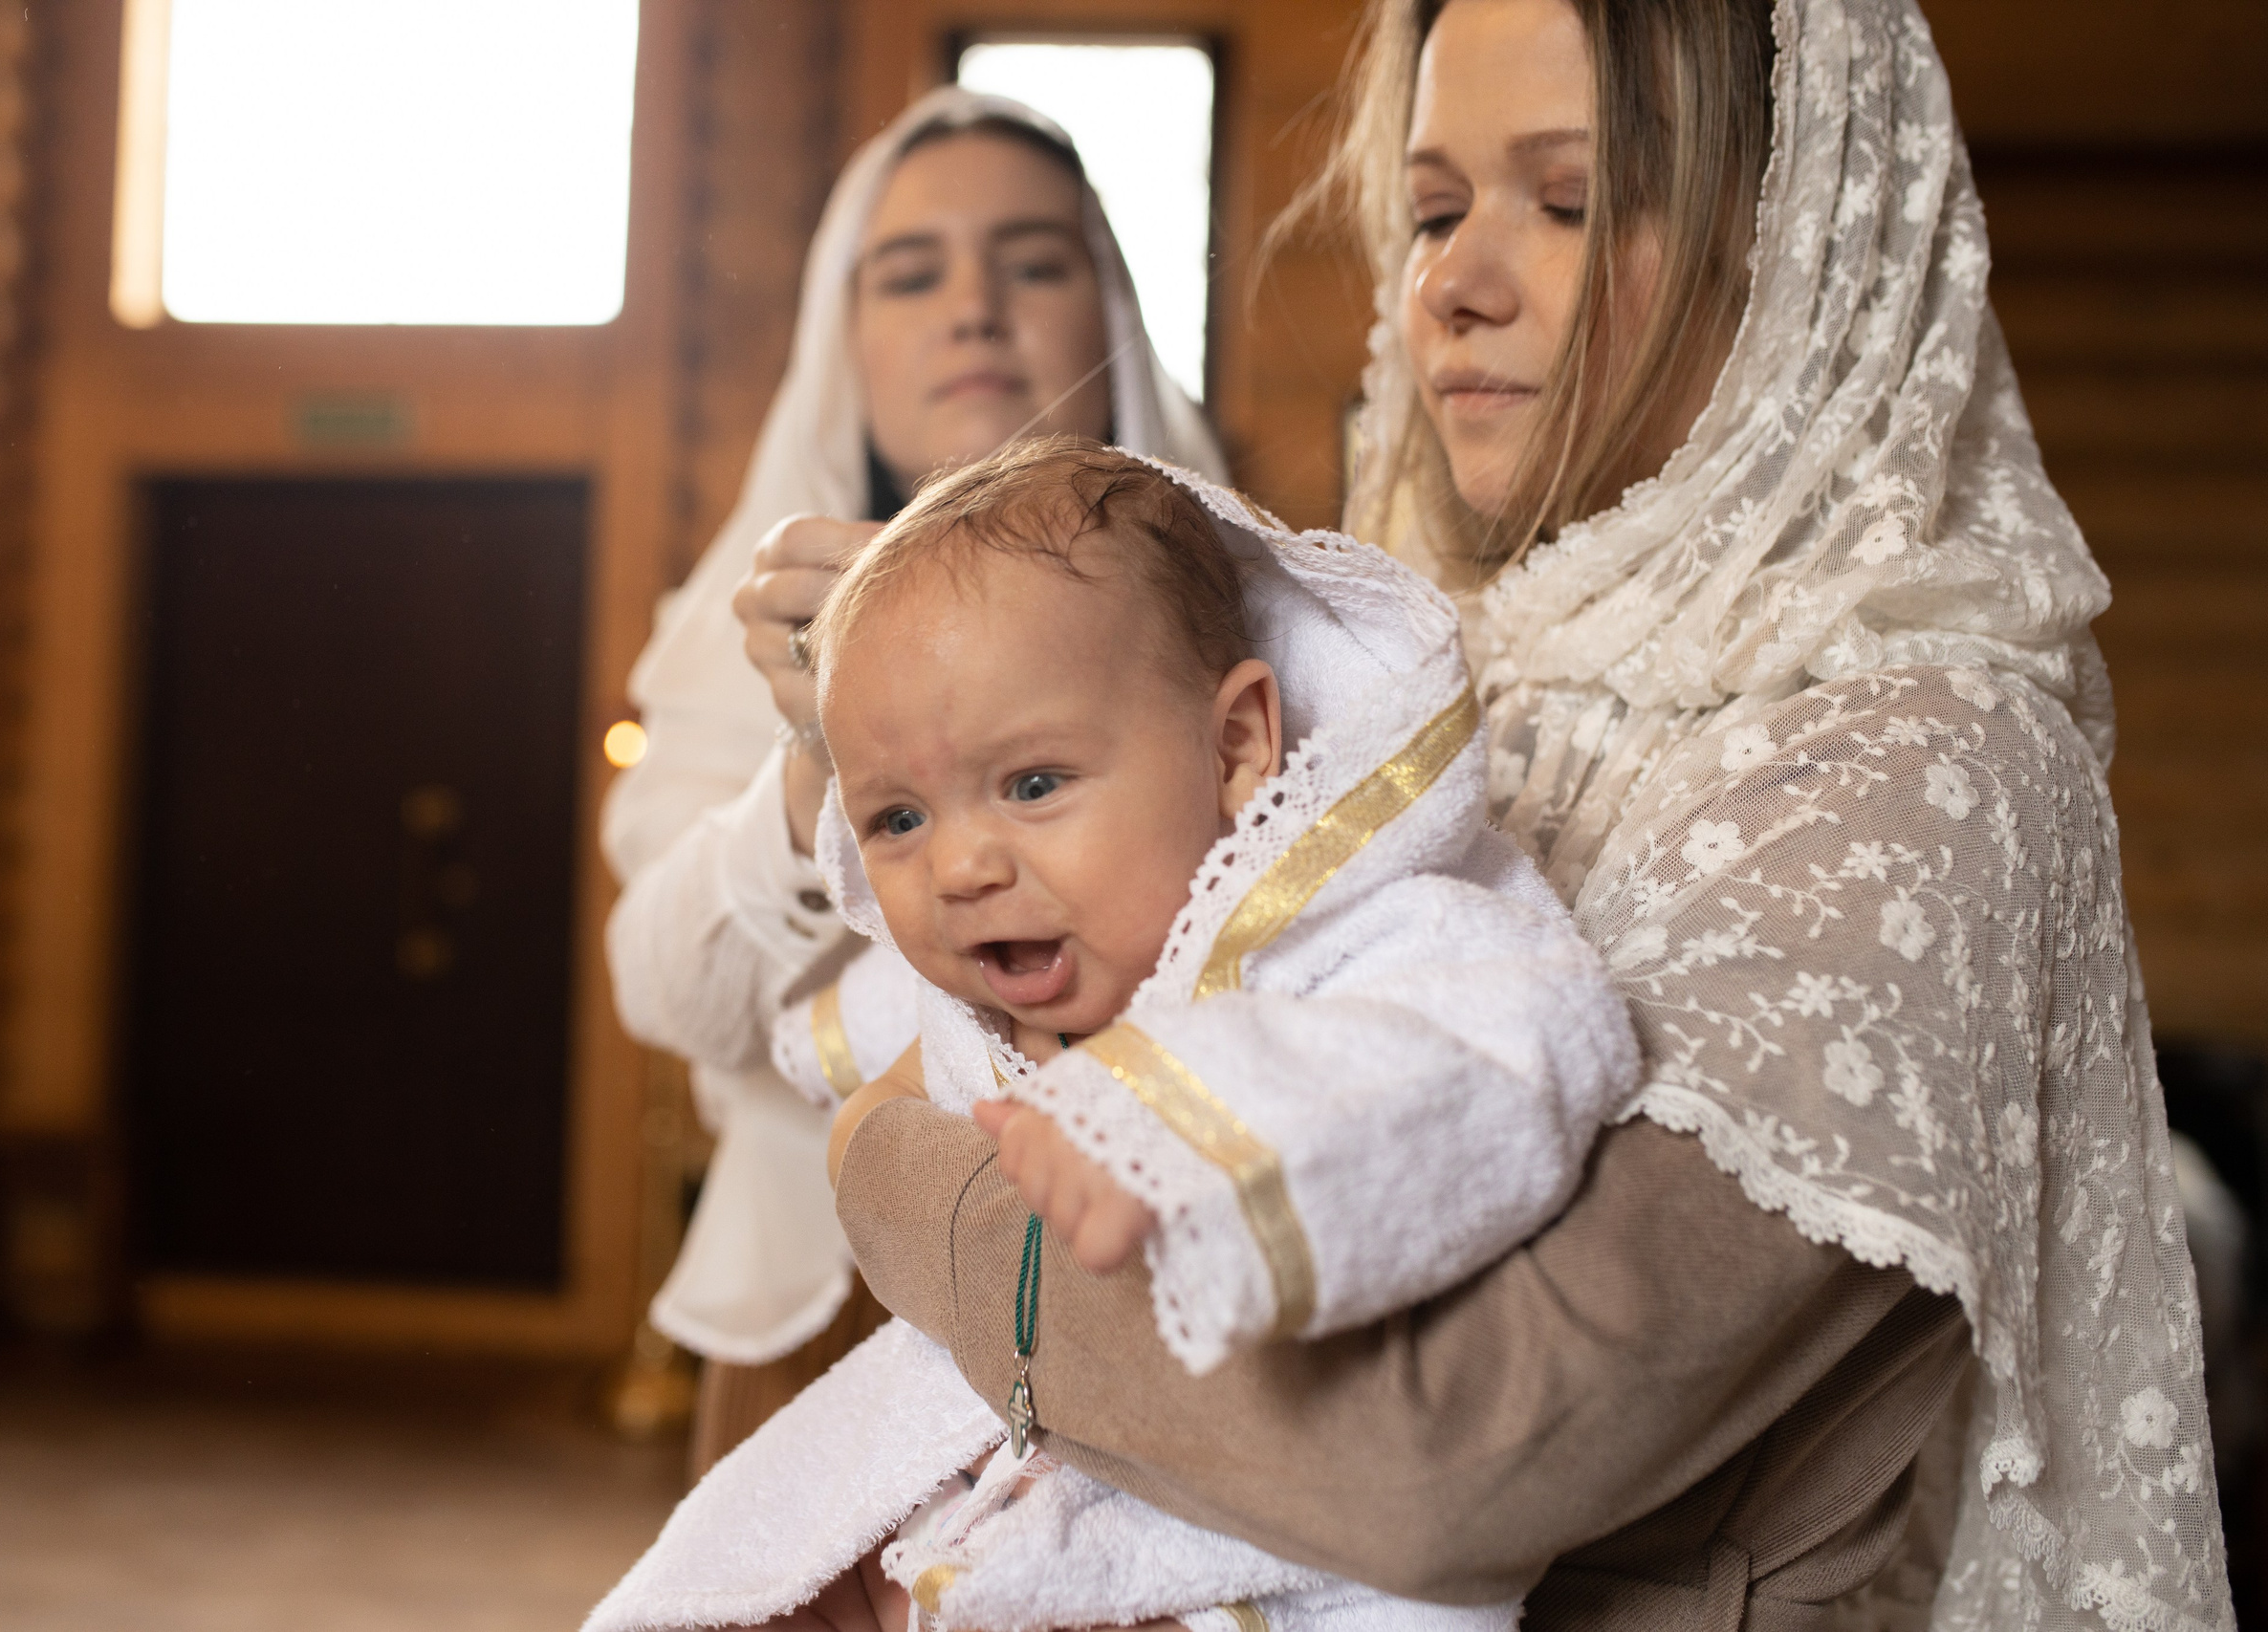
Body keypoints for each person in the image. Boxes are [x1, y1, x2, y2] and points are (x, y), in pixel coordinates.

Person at [827, 3, 2235, 1630]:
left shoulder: (1930, 767)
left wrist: (896, 1172)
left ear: (1789, 256)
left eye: (1565, 202)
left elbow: (1431, 1456)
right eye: (1434, 209)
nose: (1455, 282)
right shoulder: (1419, 684)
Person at [587, 441, 1633, 1632]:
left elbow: (1510, 1057)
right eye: (896, 817)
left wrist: (1184, 1118)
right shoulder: (981, 992)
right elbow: (855, 1074)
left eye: (1033, 785)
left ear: (1237, 743)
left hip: (1255, 1537)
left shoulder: (1373, 931)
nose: (962, 867)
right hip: (998, 1488)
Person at [600, 87, 1226, 1477]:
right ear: (847, 334)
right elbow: (662, 988)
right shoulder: (740, 623)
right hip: (821, 1321)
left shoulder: (1246, 603)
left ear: (1110, 310)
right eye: (911, 270)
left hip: (1158, 1321)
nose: (975, 305)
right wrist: (819, 757)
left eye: (1035, 258)